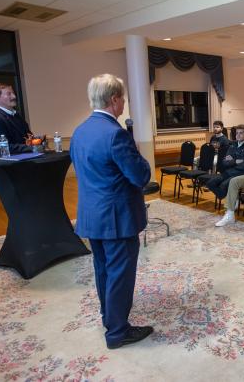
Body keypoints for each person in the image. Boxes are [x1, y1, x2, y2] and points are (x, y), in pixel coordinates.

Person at [70, 74, 153, 349]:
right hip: (117, 218)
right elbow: (139, 176)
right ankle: (117, 332)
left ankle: (109, 315)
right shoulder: (116, 134)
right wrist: (139, 156)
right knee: (120, 272)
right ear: (114, 99)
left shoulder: (79, 131)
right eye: (123, 99)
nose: (124, 104)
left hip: (92, 215)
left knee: (104, 269)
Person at [206, 124, 244, 199]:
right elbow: (224, 162)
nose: (238, 135)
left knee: (223, 185)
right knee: (210, 183)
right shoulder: (233, 144)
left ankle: (232, 199)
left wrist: (231, 160)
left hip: (241, 173)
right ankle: (232, 198)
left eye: (241, 133)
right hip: (229, 171)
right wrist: (235, 161)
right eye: (237, 133)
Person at [0, 83, 33, 155]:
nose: (14, 96)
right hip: (11, 164)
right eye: (9, 94)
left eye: (13, 93)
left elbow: (27, 137)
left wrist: (38, 140)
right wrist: (32, 148)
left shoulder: (16, 115)